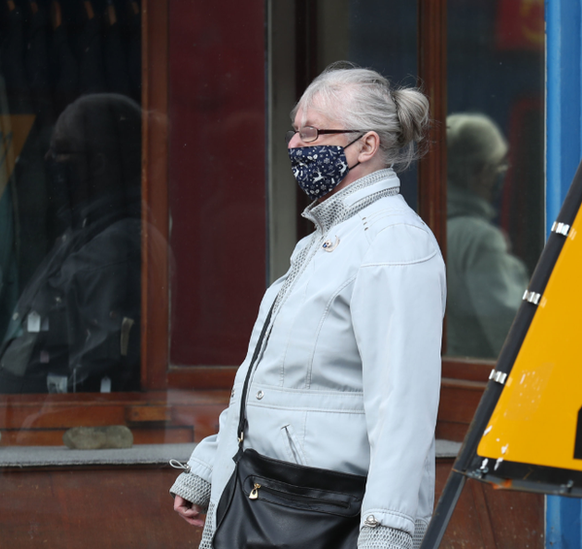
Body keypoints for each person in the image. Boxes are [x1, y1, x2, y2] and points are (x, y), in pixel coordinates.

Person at [170, 63, 445, 549]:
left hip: (316, 514)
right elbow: (272, 380)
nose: (297, 145)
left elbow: (402, 408)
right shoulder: (322, 241)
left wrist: (388, 534)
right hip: (267, 498)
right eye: (295, 131)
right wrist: (210, 468)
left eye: (313, 131)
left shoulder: (393, 242)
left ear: (367, 145)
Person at [0, 93, 143, 394]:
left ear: (98, 164)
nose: (48, 160)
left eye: (61, 151)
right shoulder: (81, 231)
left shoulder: (115, 247)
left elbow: (92, 372)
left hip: (57, 428)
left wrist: (37, 421)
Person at [445, 113, 528, 359]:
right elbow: (510, 335)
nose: (502, 175)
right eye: (500, 166)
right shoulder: (480, 239)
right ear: (482, 171)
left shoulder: (430, 229)